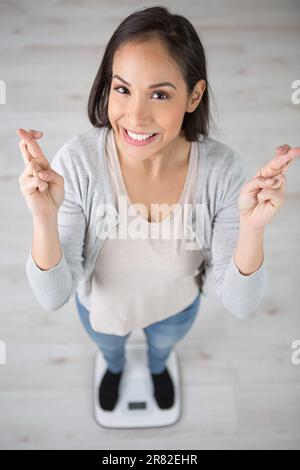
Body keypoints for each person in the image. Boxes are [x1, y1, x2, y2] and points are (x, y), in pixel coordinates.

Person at [17, 6, 299, 413]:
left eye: (160, 94)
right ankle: (113, 367)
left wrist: (252, 229)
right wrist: (44, 218)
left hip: (175, 310)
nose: (135, 116)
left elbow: (240, 303)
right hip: (101, 309)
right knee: (110, 350)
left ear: (194, 96)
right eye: (122, 89)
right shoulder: (78, 163)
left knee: (161, 348)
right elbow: (54, 296)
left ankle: (156, 365)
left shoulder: (222, 172)